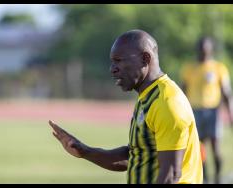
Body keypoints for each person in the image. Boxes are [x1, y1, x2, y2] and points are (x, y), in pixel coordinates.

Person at [49, 29, 203, 184]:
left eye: (119, 60)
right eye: (112, 62)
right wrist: (84, 151)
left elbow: (170, 175)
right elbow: (135, 156)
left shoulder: (167, 102)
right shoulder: (148, 96)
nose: (112, 68)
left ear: (145, 58)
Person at [180, 37, 233, 184]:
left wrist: (230, 114)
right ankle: (205, 178)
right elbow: (182, 93)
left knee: (216, 149)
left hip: (213, 111)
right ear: (197, 49)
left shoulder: (219, 68)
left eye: (206, 48)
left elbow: (226, 92)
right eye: (201, 48)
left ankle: (217, 177)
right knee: (198, 149)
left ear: (211, 49)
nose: (203, 51)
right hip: (194, 111)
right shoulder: (189, 68)